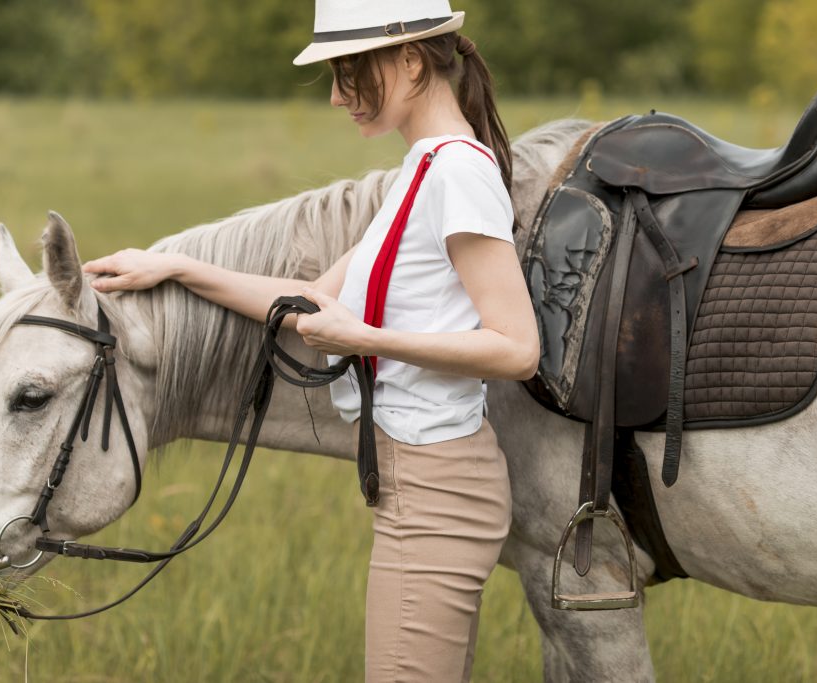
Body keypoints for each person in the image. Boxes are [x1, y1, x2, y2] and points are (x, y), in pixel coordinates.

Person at [81, 2, 539, 679]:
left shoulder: (457, 175)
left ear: (410, 59)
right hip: (420, 484)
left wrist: (367, 337)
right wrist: (176, 267)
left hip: (437, 490)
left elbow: (516, 346)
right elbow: (308, 303)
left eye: (348, 70)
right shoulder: (425, 169)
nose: (335, 95)